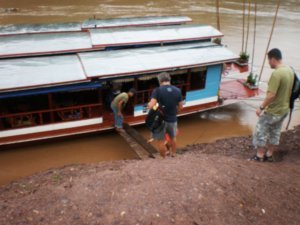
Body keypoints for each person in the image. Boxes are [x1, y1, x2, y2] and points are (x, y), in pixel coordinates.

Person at [251, 48, 294, 162]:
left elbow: (271, 95)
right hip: (284, 109)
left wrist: (261, 108)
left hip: (273, 111)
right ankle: (269, 155)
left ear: (273, 59)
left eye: (269, 60)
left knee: (261, 130)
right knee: (275, 131)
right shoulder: (289, 70)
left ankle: (259, 156)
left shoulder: (276, 74)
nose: (268, 63)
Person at [148, 72, 183, 158]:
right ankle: (174, 154)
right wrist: (175, 112)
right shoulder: (177, 90)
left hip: (161, 120)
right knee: (173, 137)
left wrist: (151, 107)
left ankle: (163, 158)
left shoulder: (157, 90)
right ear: (169, 80)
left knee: (160, 141)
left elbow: (151, 105)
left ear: (159, 80)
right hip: (173, 119)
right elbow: (180, 107)